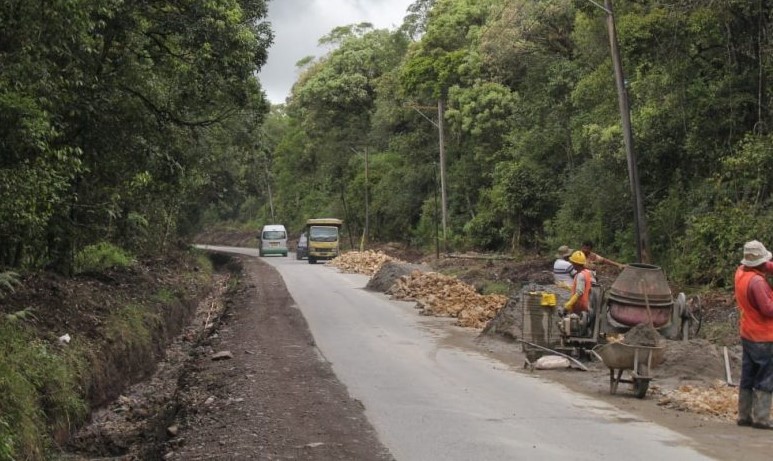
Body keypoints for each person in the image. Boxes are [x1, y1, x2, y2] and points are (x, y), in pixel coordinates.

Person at [734, 240, 773, 430]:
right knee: (766, 376)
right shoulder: (758, 282)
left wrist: (768, 266)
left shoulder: (741, 272)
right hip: (763, 336)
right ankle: (762, 418)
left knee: (748, 374)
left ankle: (744, 415)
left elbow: (763, 265)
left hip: (747, 332)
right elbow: (768, 309)